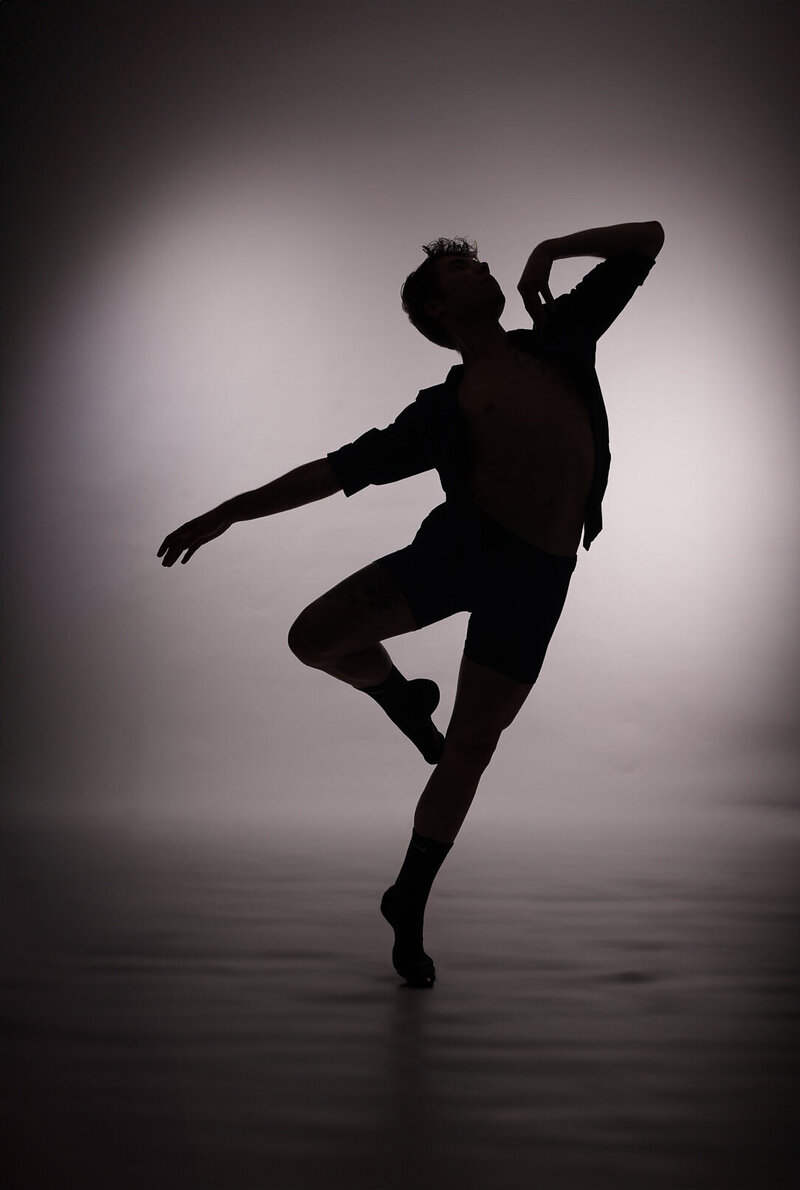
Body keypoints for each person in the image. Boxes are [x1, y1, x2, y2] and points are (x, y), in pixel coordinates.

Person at [158, 220, 664, 988]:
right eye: (464, 269)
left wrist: (550, 251)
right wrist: (231, 510)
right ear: (437, 308)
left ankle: (408, 899)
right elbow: (337, 470)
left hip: (538, 578)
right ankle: (401, 700)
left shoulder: (559, 336)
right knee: (312, 637)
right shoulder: (441, 408)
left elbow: (646, 238)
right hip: (461, 551)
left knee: (471, 747)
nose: (484, 267)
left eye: (481, 262)